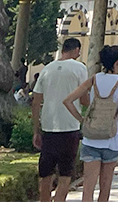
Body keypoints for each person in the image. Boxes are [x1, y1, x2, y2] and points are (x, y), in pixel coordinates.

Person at [63, 44, 118, 202]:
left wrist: (82, 119)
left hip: (91, 138)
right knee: (105, 188)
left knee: (88, 188)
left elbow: (68, 101)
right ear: (117, 63)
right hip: (112, 140)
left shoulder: (94, 79)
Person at [30, 37, 89, 202]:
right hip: (69, 127)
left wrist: (36, 130)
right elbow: (84, 100)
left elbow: (36, 102)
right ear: (76, 50)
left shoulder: (47, 69)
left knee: (45, 173)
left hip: (49, 127)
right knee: (65, 174)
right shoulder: (79, 68)